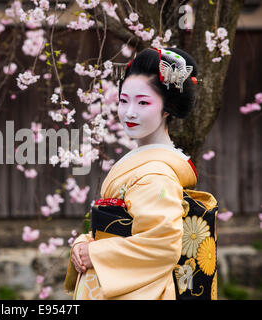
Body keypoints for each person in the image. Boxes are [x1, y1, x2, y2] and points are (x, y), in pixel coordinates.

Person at [64, 47, 201, 299]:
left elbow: (161, 245)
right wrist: (84, 243)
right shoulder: (145, 163)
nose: (129, 112)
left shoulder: (156, 175)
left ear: (168, 107)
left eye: (143, 102)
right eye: (124, 100)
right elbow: (113, 228)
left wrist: (94, 253)